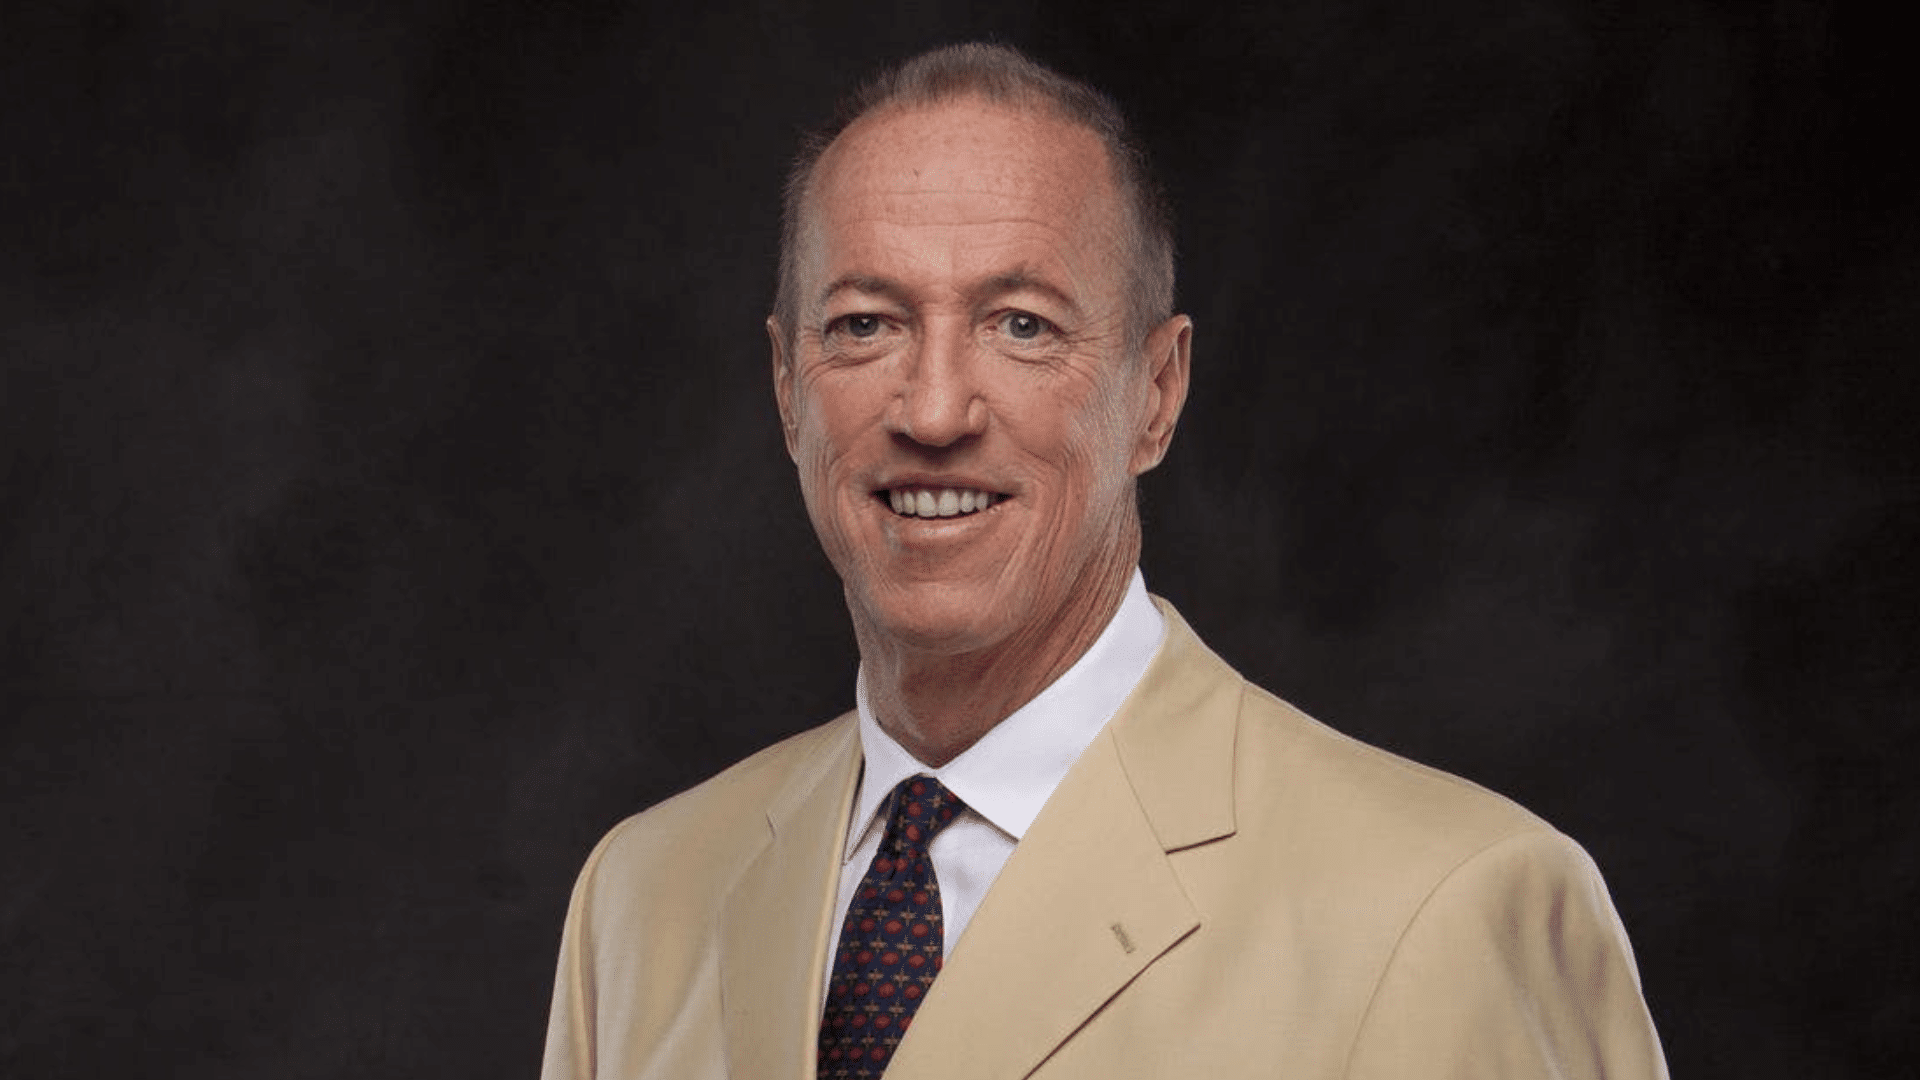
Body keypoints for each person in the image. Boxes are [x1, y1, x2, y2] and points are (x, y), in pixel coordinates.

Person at [540, 43, 1668, 1080]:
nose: (933, 409)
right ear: (789, 392)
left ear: (1157, 395)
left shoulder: (1449, 907)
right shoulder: (641, 900)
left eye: (1021, 324)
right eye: (865, 324)